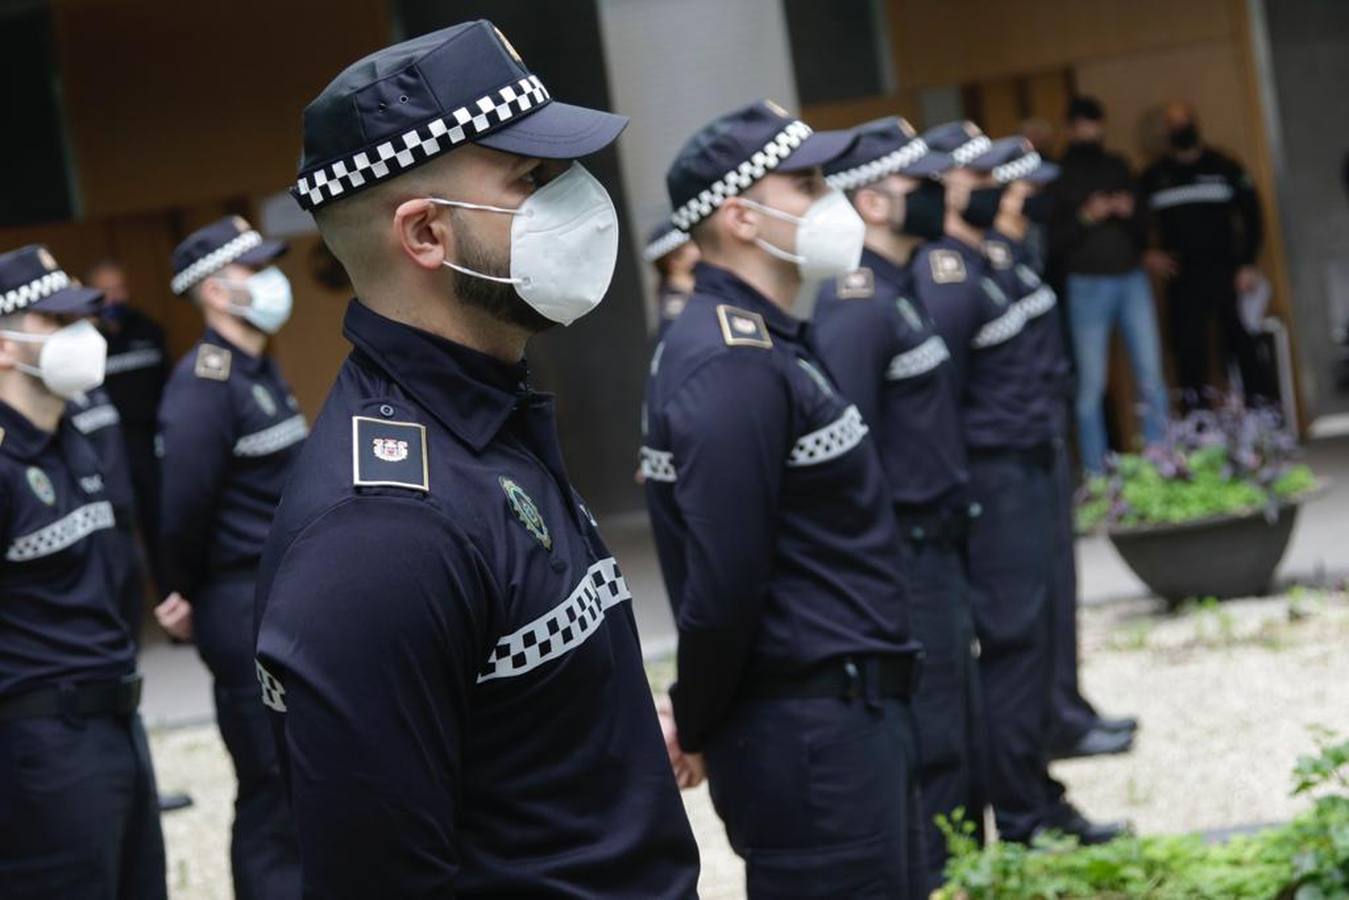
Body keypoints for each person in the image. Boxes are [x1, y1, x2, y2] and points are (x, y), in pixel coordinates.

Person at [254, 21, 700, 896]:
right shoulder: (380, 530)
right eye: (530, 180)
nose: (575, 199)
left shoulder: (486, 418)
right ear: (425, 235)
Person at [642, 100, 925, 897]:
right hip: (808, 738)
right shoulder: (727, 363)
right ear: (738, 216)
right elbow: (721, 585)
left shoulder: (765, 337)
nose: (828, 202)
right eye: (803, 185)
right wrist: (692, 718)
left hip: (846, 718)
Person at [917, 121, 1125, 846]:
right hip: (993, 478)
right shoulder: (944, 274)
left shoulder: (990, 258)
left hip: (1028, 463)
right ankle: (1025, 815)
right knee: (1011, 647)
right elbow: (938, 399)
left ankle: (1037, 793)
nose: (995, 193)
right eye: (977, 182)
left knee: (1033, 641)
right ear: (943, 188)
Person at [812, 116, 985, 890]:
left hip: (939, 543)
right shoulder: (857, 301)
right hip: (905, 553)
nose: (939, 196)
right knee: (936, 743)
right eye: (918, 187)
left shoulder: (900, 286)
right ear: (875, 203)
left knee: (960, 732)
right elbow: (852, 453)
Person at [0, 245, 166, 899]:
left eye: (82, 318)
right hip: (39, 745)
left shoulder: (79, 436)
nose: (83, 335)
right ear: (6, 346)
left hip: (117, 719)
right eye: (56, 321)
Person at [975, 137, 1138, 763]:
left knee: (1057, 591)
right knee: (1028, 606)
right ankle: (1051, 722)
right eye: (1023, 189)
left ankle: (1066, 709)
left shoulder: (1018, 254)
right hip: (1010, 457)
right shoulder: (983, 262)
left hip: (1042, 440)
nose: (1034, 200)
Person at [157, 215, 304, 898]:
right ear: (216, 291)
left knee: (302, 776)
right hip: (238, 603)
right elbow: (181, 508)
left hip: (281, 594)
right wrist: (180, 590)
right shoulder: (203, 385)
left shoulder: (258, 370)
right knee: (271, 787)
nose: (272, 280)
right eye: (254, 269)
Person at [1047, 96, 1169, 475]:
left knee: (1151, 377)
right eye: (1083, 124)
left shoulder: (1118, 164)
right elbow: (1052, 242)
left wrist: (1128, 212)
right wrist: (1087, 215)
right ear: (1069, 128)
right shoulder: (1058, 173)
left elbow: (1144, 223)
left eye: (1096, 123)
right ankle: (1098, 478)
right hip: (1086, 285)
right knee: (1091, 386)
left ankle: (1161, 462)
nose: (1091, 131)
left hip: (1130, 279)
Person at [1141, 101, 1276, 409]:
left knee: (1243, 346)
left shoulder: (1224, 166)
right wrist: (1146, 254)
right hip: (1182, 276)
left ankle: (1266, 425)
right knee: (1189, 355)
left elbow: (1253, 216)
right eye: (1172, 123)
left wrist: (1247, 264)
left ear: (1195, 123)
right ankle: (1198, 432)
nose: (1179, 128)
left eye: (1183, 120)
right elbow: (1133, 222)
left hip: (1228, 272)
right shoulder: (1154, 175)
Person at [87, 261, 168, 577]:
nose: (114, 297)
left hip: (149, 445)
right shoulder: (86, 344)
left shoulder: (149, 331)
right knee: (114, 529)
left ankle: (168, 594)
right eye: (105, 291)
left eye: (119, 288)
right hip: (105, 452)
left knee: (159, 523)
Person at [642, 220, 700, 339]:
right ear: (673, 262)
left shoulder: (700, 286)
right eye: (688, 245)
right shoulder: (674, 309)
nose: (695, 248)